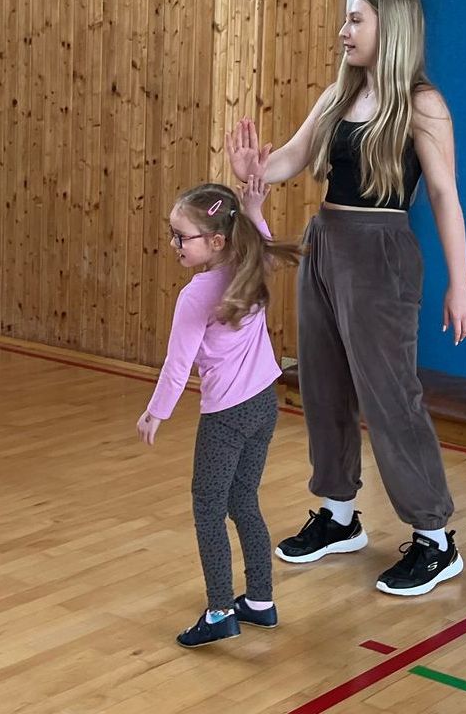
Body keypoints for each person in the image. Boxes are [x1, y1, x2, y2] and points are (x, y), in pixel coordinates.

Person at [227, 0, 466, 597]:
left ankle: (434, 538)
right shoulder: (339, 94)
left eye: (356, 20)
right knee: (323, 386)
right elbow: (290, 158)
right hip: (325, 243)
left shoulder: (422, 104)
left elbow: (444, 194)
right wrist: (253, 170)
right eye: (346, 21)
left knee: (391, 396)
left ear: (390, 28)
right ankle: (339, 515)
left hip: (381, 253)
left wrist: (461, 283)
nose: (344, 32)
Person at [136, 179, 300, 647]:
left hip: (226, 416)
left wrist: (156, 412)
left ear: (215, 241)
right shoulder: (251, 266)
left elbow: (178, 363)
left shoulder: (197, 294)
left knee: (208, 507)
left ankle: (220, 611)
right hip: (263, 405)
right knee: (243, 500)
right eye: (172, 233)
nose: (174, 244)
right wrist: (255, 206)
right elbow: (261, 239)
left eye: (181, 236)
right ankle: (261, 601)